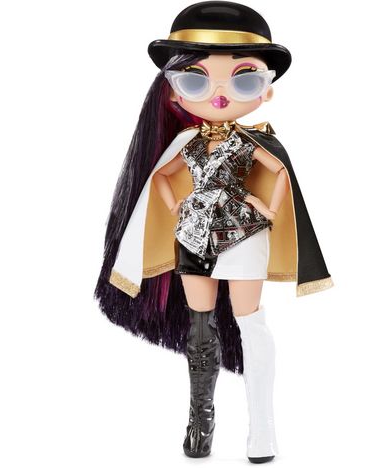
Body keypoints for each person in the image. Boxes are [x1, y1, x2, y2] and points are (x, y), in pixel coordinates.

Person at [94, 1, 334, 463]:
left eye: (244, 79)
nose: (220, 95)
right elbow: (160, 178)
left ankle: (262, 428)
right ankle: (200, 422)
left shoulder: (253, 140)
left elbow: (279, 172)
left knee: (250, 321)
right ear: (173, 91)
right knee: (200, 326)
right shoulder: (186, 143)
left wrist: (268, 207)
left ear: (266, 90)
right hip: (193, 235)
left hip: (244, 233)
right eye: (196, 80)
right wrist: (177, 206)